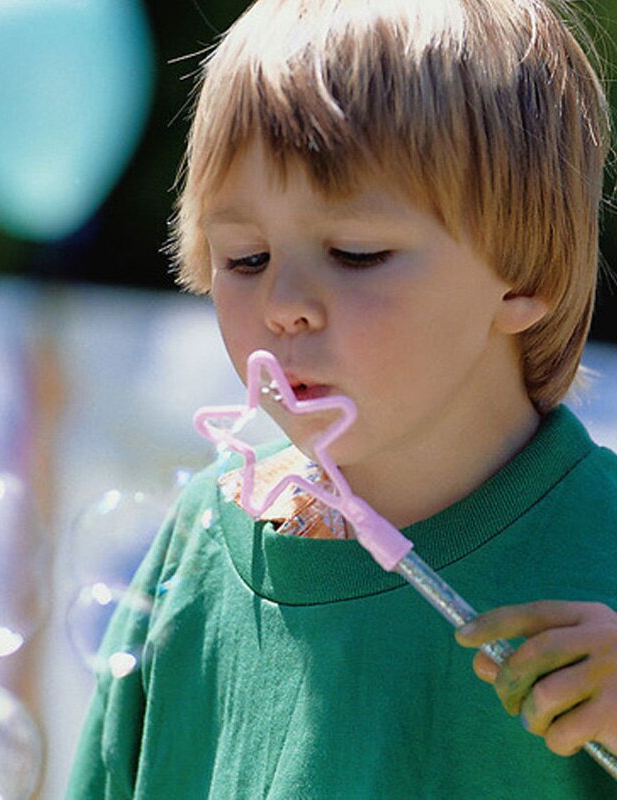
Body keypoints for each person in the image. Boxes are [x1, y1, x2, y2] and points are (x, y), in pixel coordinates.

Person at [66, 1, 617, 796]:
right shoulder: (196, 552)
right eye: (245, 257)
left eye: (356, 254)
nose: (285, 303)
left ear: (525, 274)